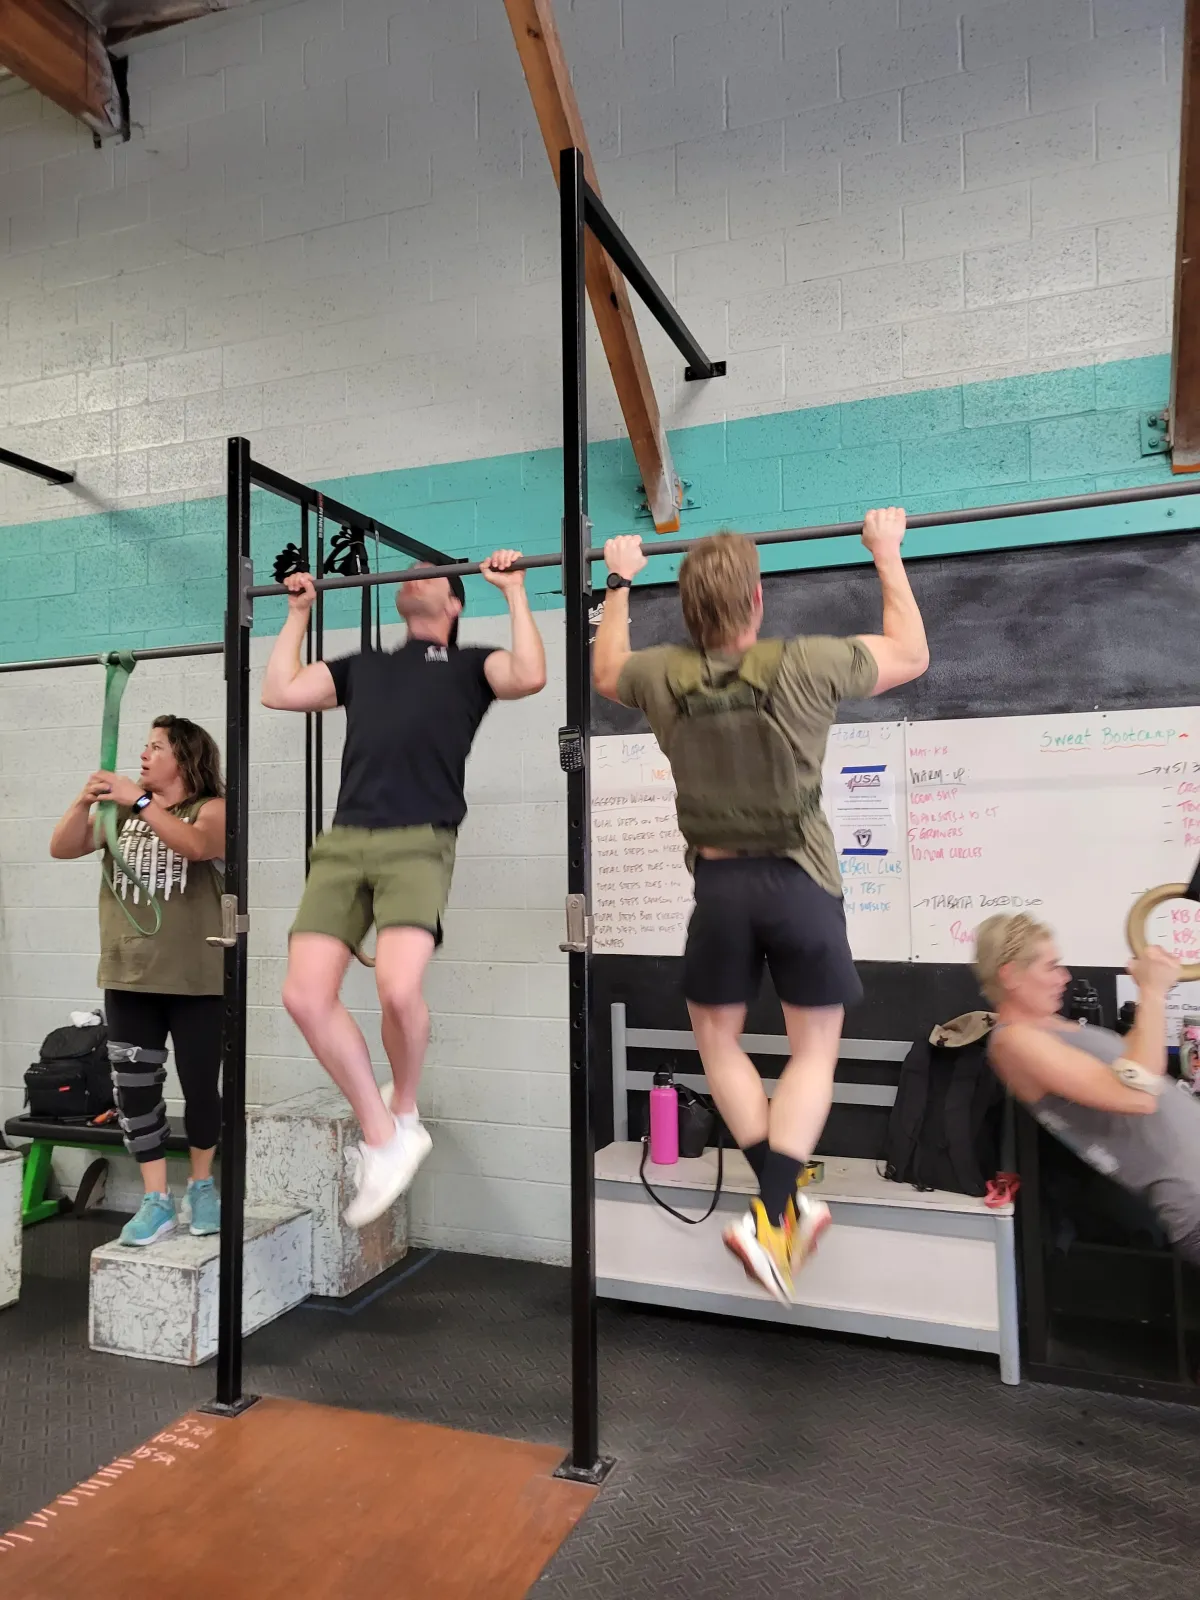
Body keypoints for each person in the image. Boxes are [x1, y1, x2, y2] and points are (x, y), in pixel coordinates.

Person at [593, 510, 929, 1303]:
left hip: (721, 890)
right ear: (757, 600)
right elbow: (912, 654)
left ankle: (778, 1206)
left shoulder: (659, 674)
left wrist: (618, 580)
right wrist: (886, 552)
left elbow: (606, 672)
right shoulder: (808, 660)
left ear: (688, 609)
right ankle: (775, 1209)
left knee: (718, 1042)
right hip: (802, 884)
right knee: (814, 1050)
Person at [262, 550, 546, 1228]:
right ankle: (383, 1135)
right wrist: (298, 612)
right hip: (343, 843)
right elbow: (279, 691)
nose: (415, 574)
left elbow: (530, 674)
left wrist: (513, 590)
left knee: (396, 988)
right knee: (303, 996)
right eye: (410, 571)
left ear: (454, 603)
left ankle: (405, 1109)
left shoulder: (472, 665)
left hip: (419, 840)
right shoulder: (364, 668)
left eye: (431, 574)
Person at [49, 717, 226, 1247]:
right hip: (129, 975)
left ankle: (202, 1187)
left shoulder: (210, 808)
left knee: (200, 1086)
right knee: (135, 1091)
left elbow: (197, 846)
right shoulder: (119, 814)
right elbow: (62, 847)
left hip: (196, 980)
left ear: (185, 757)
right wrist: (84, 802)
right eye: (144, 746)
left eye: (156, 747)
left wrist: (142, 802)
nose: (144, 755)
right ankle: (156, 1200)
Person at [977, 913, 1200, 1266]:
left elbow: (1138, 1061)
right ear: (1011, 975)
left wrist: (1151, 994)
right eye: (1051, 967)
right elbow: (1139, 1095)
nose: (1064, 977)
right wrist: (1153, 991)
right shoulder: (1014, 1042)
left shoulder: (1056, 1029)